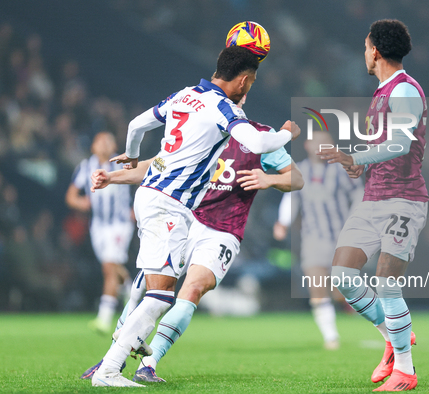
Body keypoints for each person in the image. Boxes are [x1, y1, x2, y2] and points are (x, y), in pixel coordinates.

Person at [91, 46, 300, 387]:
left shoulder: (184, 96)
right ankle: (109, 369)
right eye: (252, 82)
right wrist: (288, 132)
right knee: (159, 296)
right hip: (169, 205)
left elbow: (136, 125)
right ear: (244, 81)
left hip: (160, 199)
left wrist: (131, 153)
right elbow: (259, 144)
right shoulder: (223, 109)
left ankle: (132, 343)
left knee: (155, 286)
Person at [318, 19, 427, 391]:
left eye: (366, 47)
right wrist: (358, 162)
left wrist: (358, 157)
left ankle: (406, 372)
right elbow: (385, 146)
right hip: (373, 198)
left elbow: (400, 144)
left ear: (375, 51)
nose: (364, 54)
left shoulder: (406, 90)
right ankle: (392, 337)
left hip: (404, 199)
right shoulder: (382, 92)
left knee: (387, 285)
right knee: (343, 276)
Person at [273, 131, 363, 350]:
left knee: (339, 290)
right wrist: (283, 222)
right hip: (313, 238)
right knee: (317, 284)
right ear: (307, 145)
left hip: (342, 237)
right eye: (318, 143)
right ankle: (331, 337)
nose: (322, 147)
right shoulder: (300, 169)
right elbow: (291, 197)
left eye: (327, 144)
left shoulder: (342, 170)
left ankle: (348, 304)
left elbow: (359, 195)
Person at [65, 131, 134, 335]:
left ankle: (104, 318)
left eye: (108, 141)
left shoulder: (122, 164)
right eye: (100, 141)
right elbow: (71, 196)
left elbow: (142, 183)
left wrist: (137, 208)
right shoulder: (86, 167)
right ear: (93, 146)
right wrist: (81, 202)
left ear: (114, 146)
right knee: (113, 267)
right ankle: (131, 293)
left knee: (108, 268)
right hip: (98, 226)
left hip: (120, 224)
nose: (104, 144)